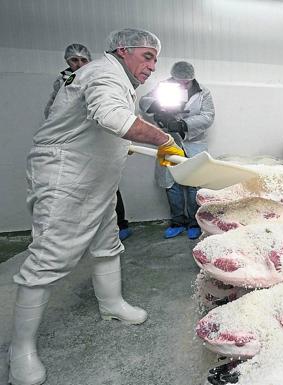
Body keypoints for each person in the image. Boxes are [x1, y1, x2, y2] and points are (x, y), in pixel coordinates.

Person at [9, 28, 184, 385]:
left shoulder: (117, 78)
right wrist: (164, 139)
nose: (152, 66)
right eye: (147, 56)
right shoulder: (103, 72)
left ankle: (111, 304)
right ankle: (19, 350)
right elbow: (113, 119)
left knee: (107, 243)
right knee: (48, 258)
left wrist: (140, 147)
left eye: (155, 59)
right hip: (65, 178)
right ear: (123, 50)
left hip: (96, 178)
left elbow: (106, 129)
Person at [44, 43, 133, 242]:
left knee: (110, 187)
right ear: (67, 61)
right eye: (74, 60)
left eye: (83, 60)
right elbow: (53, 112)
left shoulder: (101, 77)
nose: (79, 64)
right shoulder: (62, 83)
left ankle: (120, 224)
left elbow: (114, 113)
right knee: (80, 189)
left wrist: (122, 141)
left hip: (101, 143)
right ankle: (86, 231)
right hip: (76, 145)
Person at [139, 61, 215, 240]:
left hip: (193, 142)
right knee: (171, 183)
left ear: (192, 78)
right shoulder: (164, 87)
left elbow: (208, 116)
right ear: (173, 77)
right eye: (179, 81)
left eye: (186, 82)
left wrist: (183, 124)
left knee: (193, 183)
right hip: (169, 142)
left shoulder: (203, 92)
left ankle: (194, 222)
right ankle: (177, 222)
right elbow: (144, 102)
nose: (182, 85)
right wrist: (157, 110)